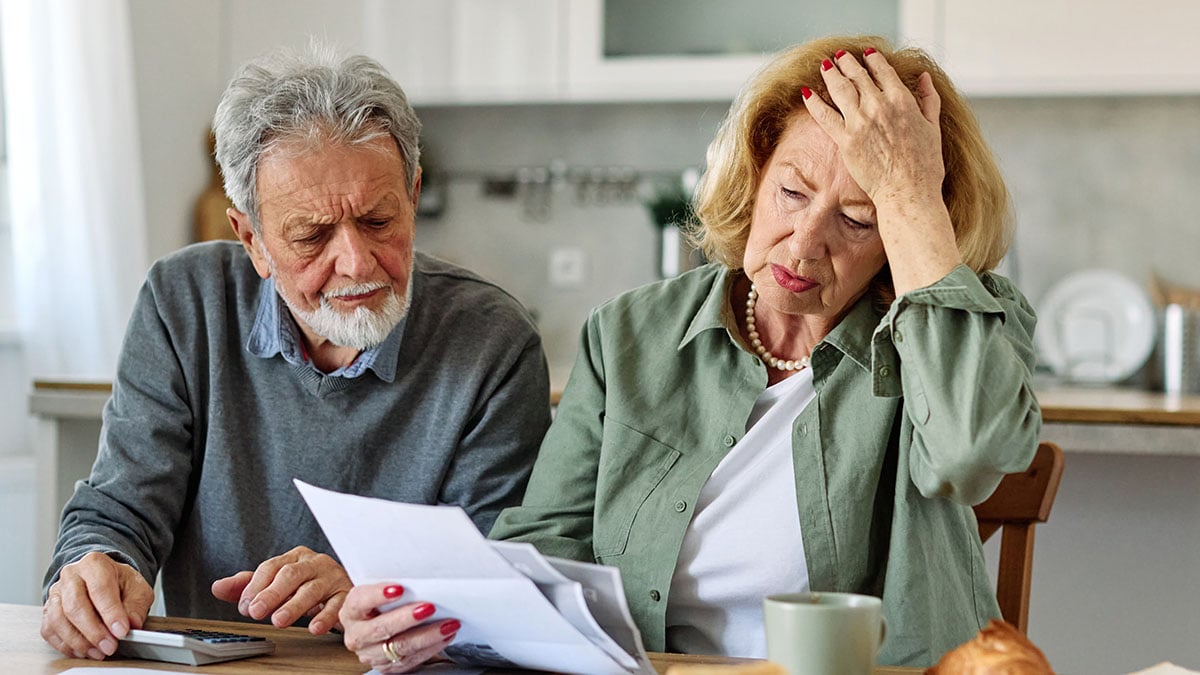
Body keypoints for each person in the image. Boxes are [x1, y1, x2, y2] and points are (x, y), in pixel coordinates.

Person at [338, 34, 1042, 672]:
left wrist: (912, 195)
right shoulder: (631, 335)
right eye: (791, 192)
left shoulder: (963, 328)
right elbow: (546, 556)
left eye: (859, 219)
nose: (802, 244)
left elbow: (970, 453)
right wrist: (424, 617)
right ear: (757, 168)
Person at [39, 45, 551, 662]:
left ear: (412, 195)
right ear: (251, 238)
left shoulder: (493, 340)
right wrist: (96, 567)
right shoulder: (183, 303)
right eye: (312, 235)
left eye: (379, 220)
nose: (357, 264)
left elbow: (502, 587)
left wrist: (374, 590)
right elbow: (120, 506)